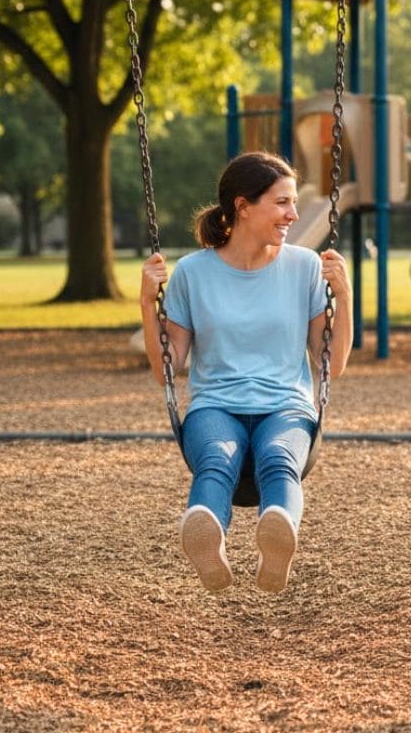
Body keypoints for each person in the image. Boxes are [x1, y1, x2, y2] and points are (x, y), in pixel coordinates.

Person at [140, 151, 352, 594]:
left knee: (278, 457)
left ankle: (277, 536)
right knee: (216, 459)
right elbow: (167, 370)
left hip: (286, 407)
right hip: (215, 406)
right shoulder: (193, 273)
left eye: (294, 203)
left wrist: (344, 296)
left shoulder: (305, 267)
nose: (293, 214)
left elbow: (330, 364)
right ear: (243, 206)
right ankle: (206, 537)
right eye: (282, 202)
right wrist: (147, 302)